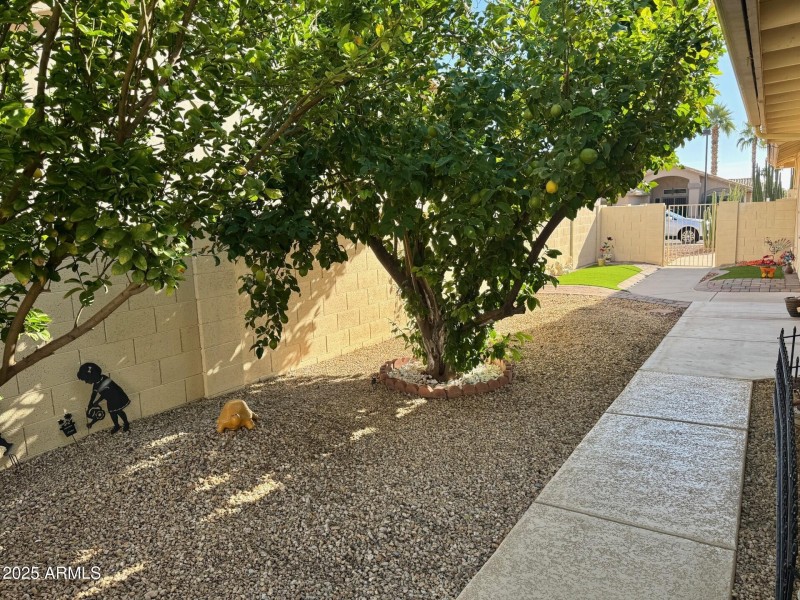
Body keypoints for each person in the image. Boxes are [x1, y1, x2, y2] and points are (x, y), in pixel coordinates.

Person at [77, 362, 131, 433]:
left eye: (86, 380)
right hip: (110, 399)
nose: (86, 382)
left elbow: (105, 394)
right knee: (112, 413)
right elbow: (94, 393)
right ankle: (116, 425)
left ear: (92, 377)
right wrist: (90, 403)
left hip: (116, 396)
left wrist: (97, 401)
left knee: (119, 411)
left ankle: (126, 423)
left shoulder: (105, 380)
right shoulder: (96, 383)